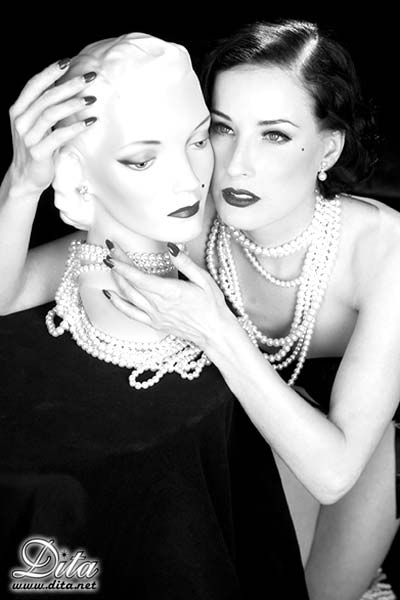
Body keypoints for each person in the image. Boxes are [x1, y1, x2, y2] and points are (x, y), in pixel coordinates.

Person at [0, 20, 398, 600]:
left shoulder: (385, 252)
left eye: (275, 135)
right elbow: (11, 291)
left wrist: (217, 331)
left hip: (346, 456)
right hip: (241, 445)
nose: (235, 166)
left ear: (328, 148)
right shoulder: (191, 210)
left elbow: (334, 474)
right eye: (221, 129)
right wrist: (21, 184)